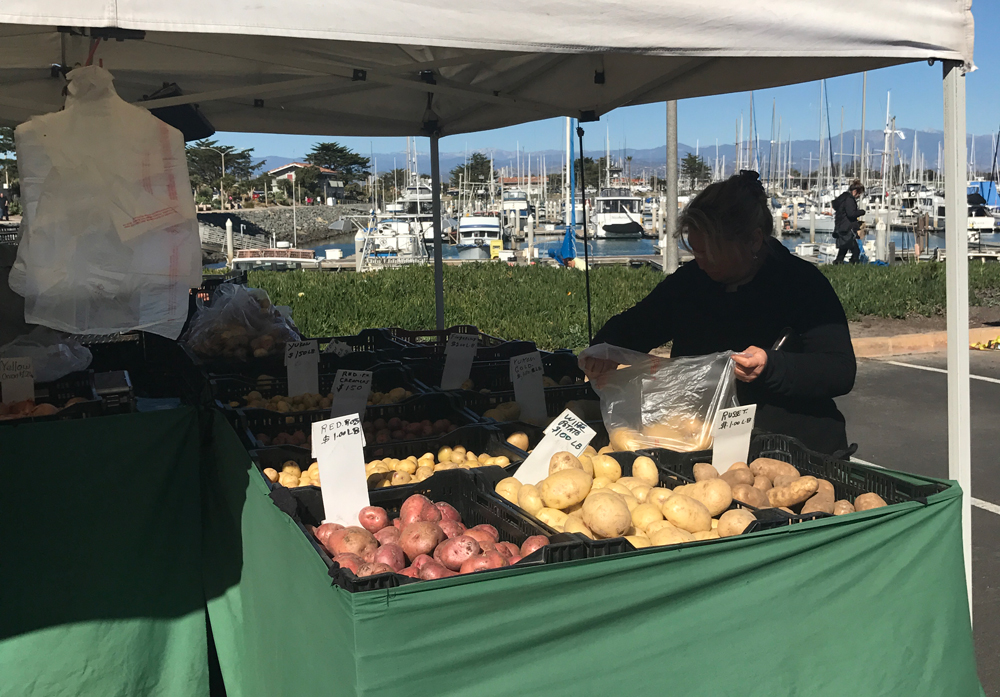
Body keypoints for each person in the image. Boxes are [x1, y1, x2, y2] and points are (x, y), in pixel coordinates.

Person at [582, 171, 856, 454]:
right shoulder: (690, 283)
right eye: (696, 253)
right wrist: (604, 348)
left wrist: (771, 365)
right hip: (702, 442)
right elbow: (637, 325)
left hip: (794, 447)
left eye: (710, 253)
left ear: (753, 241)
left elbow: (840, 370)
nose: (701, 264)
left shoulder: (802, 284)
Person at [832, 181, 866, 264]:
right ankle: (854, 264)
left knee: (843, 250)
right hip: (847, 228)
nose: (859, 196)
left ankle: (838, 263)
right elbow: (851, 214)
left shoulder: (843, 199)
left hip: (841, 227)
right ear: (855, 191)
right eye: (859, 194)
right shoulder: (849, 200)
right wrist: (861, 212)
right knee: (856, 251)